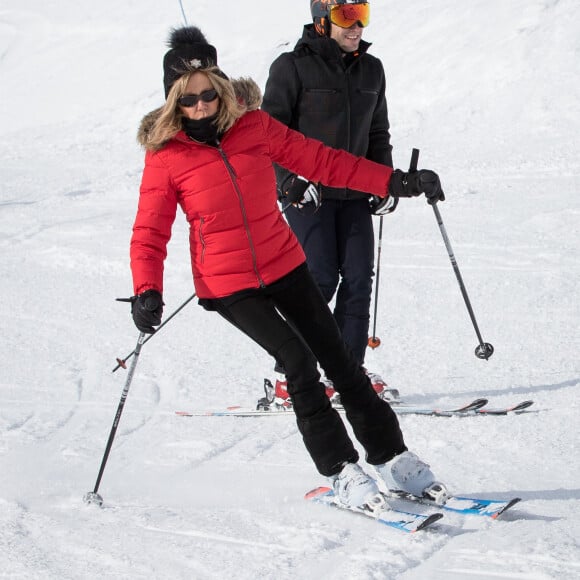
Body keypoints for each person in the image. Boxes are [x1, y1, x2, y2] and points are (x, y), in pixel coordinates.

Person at [129, 25, 446, 508]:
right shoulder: (167, 157)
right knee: (299, 362)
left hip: (284, 263)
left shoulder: (253, 128)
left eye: (208, 95)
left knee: (340, 357)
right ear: (173, 101)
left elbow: (324, 161)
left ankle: (392, 457)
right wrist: (146, 288)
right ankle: (342, 470)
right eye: (188, 100)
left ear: (221, 87)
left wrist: (393, 181)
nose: (201, 107)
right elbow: (150, 231)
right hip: (229, 284)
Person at [262, 0, 398, 405]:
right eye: (345, 16)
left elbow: (379, 131)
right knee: (319, 280)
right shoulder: (291, 67)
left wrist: (385, 181)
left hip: (355, 192)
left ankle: (348, 373)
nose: (356, 26)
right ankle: (292, 375)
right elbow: (269, 134)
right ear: (322, 21)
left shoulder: (372, 69)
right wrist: (288, 182)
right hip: (309, 193)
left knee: (358, 280)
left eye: (362, 14)